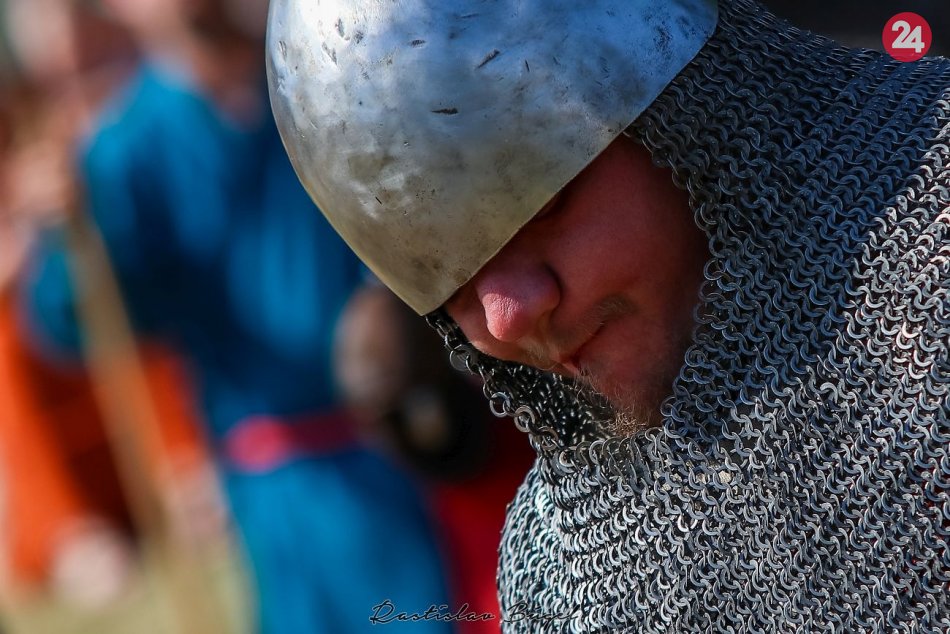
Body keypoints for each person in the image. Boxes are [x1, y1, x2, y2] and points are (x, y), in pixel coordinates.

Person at [268, 0, 950, 631]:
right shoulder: (567, 571)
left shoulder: (930, 266)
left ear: (691, 112)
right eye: (450, 281)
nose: (506, 317)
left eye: (543, 208)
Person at [20, 0, 455, 630]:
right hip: (278, 490)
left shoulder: (320, 78)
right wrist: (69, 240)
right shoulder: (124, 152)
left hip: (410, 442)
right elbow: (73, 322)